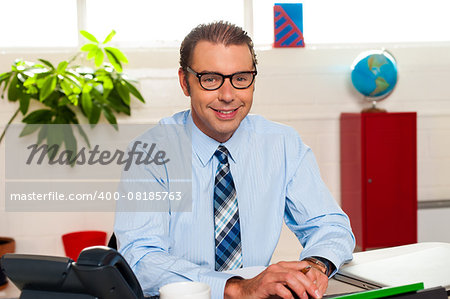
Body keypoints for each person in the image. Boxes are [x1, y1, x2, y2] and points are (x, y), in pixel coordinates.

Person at [114, 21, 355, 299]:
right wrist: (236, 288)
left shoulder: (283, 144)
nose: (227, 96)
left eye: (240, 78)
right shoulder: (149, 153)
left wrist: (316, 265)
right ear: (185, 82)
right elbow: (139, 260)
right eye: (210, 79)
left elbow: (330, 225)